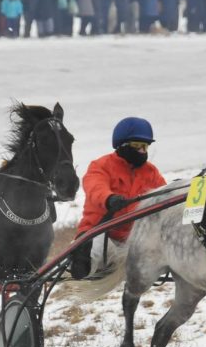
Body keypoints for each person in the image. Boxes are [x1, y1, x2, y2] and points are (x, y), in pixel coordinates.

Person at [69, 117, 166, 279]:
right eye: (137, 146)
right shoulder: (100, 166)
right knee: (95, 249)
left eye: (145, 146)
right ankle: (82, 269)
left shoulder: (151, 172)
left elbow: (163, 195)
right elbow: (95, 187)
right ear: (122, 145)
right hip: (100, 232)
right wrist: (109, 198)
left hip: (134, 239)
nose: (142, 151)